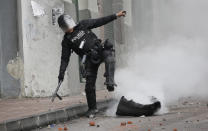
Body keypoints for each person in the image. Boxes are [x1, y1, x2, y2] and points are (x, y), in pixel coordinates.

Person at [57, 11, 126, 117]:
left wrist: (116, 15)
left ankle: (110, 82)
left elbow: (100, 21)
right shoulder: (66, 41)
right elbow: (64, 59)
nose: (68, 28)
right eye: (66, 27)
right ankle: (92, 109)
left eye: (68, 25)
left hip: (99, 50)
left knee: (110, 57)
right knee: (89, 86)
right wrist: (61, 74)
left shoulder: (83, 24)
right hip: (89, 60)